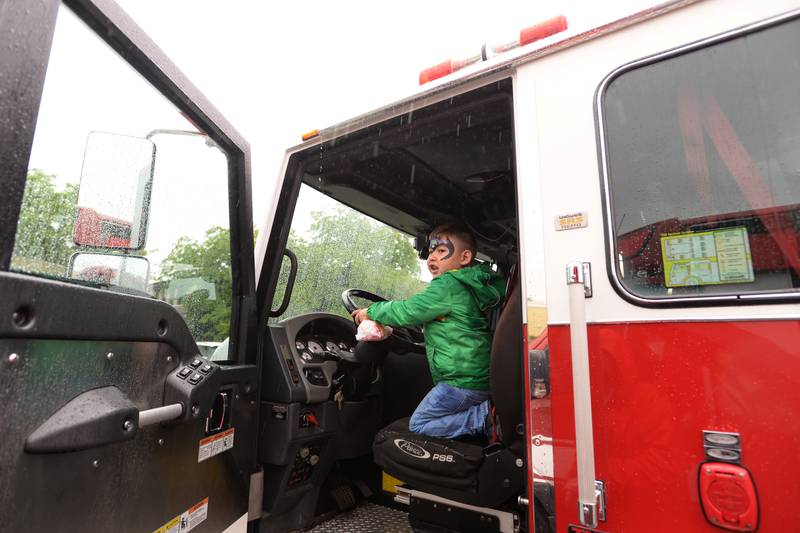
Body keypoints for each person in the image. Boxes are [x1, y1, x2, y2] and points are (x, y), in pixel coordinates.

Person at [351, 223, 505, 439]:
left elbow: (410, 310)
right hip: (474, 377)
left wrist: (372, 311)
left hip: (460, 381)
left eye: (441, 251)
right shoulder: (467, 286)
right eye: (431, 251)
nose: (432, 257)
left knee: (420, 424)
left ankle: (486, 419)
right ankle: (483, 417)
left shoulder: (448, 285)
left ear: (464, 257)